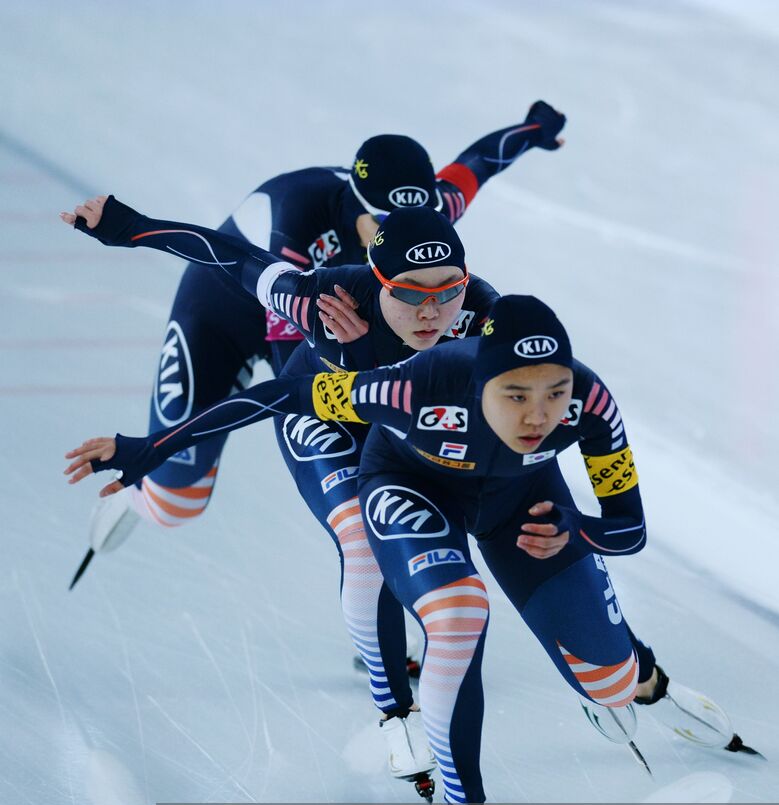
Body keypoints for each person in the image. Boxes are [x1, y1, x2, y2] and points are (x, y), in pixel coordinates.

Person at [64, 294, 757, 804]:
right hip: (410, 489)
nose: (537, 415)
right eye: (513, 395)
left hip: (523, 507)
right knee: (458, 612)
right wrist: (145, 449)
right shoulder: (409, 388)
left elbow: (629, 529)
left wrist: (577, 529)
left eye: (553, 393)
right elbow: (280, 396)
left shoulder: (593, 407)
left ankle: (639, 683)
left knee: (607, 682)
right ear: (475, 380)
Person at [76, 103, 565, 560]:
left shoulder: (425, 219)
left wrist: (533, 129)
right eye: (380, 224)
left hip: (319, 313)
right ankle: (139, 499)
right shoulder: (298, 215)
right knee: (174, 498)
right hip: (227, 306)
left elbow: (478, 162)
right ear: (353, 205)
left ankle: (394, 614)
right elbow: (289, 361)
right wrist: (131, 229)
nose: (394, 237)